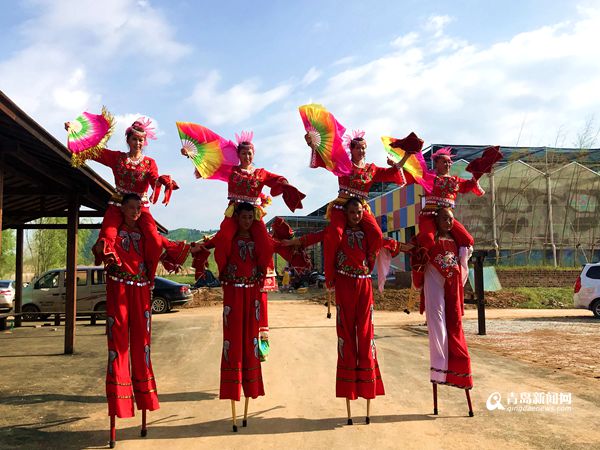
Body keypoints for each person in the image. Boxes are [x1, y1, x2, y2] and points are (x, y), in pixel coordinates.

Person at [290, 198, 402, 424]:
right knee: (347, 336)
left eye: (360, 212)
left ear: (364, 212)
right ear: (345, 212)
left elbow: (383, 240)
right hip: (343, 283)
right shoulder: (336, 233)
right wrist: (294, 242)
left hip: (363, 284)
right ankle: (349, 389)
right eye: (352, 212)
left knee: (365, 335)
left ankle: (368, 387)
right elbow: (317, 237)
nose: (356, 215)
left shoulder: (368, 234)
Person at [65, 117, 178, 284]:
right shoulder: (117, 158)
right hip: (118, 204)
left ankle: (150, 274)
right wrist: (74, 133)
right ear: (128, 140)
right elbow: (95, 152)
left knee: (154, 239)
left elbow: (154, 179)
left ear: (144, 142)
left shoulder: (149, 163)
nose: (138, 143)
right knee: (107, 235)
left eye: (141, 140)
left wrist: (163, 181)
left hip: (140, 206)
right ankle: (112, 265)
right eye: (134, 139)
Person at [183, 131, 305, 278]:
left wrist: (285, 184)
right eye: (243, 154)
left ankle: (261, 271)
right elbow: (209, 166)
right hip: (234, 212)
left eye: (250, 153)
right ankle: (224, 270)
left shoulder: (261, 173)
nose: (247, 157)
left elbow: (277, 178)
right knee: (224, 238)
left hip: (253, 214)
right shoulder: (231, 170)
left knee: (266, 244)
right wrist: (191, 155)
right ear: (238, 155)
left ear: (253, 154)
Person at [305, 130, 407, 288]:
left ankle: (367, 265)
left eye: (364, 148)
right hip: (342, 206)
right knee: (334, 235)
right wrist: (313, 145)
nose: (362, 151)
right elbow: (324, 159)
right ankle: (330, 276)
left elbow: (391, 173)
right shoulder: (342, 163)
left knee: (377, 235)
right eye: (358, 148)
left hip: (361, 208)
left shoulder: (371, 169)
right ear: (351, 149)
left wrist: (404, 157)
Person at [104, 193, 159, 447]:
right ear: (122, 208)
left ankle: (145, 404)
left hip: (141, 293)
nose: (135, 211)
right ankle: (119, 407)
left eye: (139, 207)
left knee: (142, 348)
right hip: (119, 290)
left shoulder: (146, 235)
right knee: (118, 349)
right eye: (131, 207)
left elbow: (162, 246)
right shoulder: (113, 232)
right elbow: (102, 246)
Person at [412, 207, 474, 417]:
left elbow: (467, 244)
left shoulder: (456, 241)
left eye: (451, 219)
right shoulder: (428, 238)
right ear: (435, 220)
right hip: (434, 278)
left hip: (453, 283)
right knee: (436, 321)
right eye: (444, 218)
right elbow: (413, 249)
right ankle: (439, 367)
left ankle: (458, 365)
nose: (448, 222)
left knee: (454, 324)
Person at [216, 202, 270, 431]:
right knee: (233, 344)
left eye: (250, 217)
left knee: (252, 343)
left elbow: (274, 246)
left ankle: (251, 388)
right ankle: (232, 391)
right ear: (236, 218)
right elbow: (214, 245)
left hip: (253, 295)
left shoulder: (259, 241)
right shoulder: (228, 238)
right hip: (234, 294)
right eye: (243, 217)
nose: (247, 221)